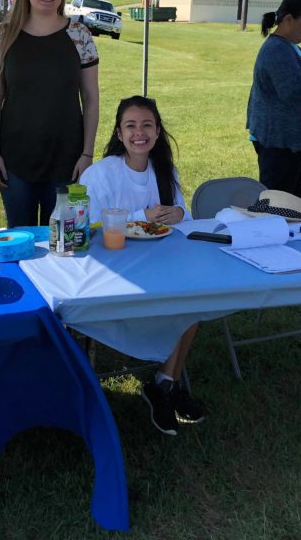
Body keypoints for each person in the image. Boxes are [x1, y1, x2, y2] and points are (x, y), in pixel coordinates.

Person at [80, 96, 204, 435]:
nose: (139, 133)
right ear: (119, 133)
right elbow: (88, 228)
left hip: (161, 264)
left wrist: (178, 213)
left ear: (158, 131)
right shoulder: (101, 174)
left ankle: (166, 382)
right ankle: (165, 383)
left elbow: (182, 216)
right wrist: (139, 217)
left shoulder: (164, 171)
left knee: (193, 299)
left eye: (147, 125)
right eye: (131, 126)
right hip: (114, 269)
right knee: (179, 302)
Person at [0, 0, 100, 227]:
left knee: (62, 241)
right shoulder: (4, 35)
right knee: (20, 241)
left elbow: (91, 98)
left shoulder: (80, 34)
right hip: (14, 160)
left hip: (67, 160)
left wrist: (87, 154)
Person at [246, 0, 301, 198]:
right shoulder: (277, 49)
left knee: (290, 202)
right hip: (280, 143)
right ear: (288, 20)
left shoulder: (289, 47)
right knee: (279, 204)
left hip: (291, 142)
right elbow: (295, 92)